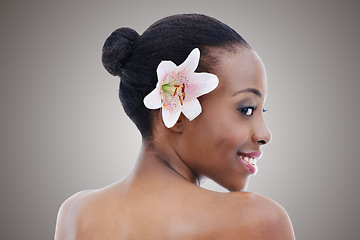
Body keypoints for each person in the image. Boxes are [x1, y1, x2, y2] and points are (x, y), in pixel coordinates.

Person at [54, 14, 295, 239]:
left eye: (261, 111)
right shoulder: (256, 219)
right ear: (176, 113)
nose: (265, 134)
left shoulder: (75, 214)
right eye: (246, 109)